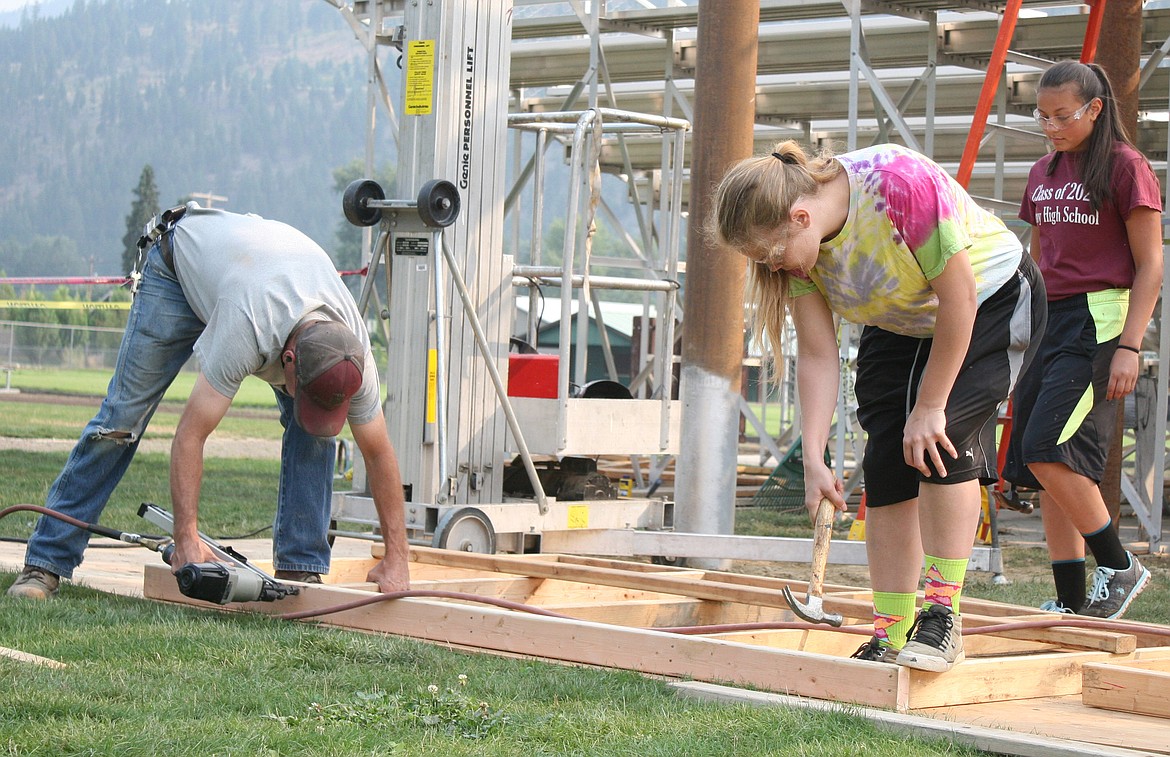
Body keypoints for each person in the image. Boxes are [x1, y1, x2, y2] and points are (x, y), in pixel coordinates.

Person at [710, 140, 1046, 671]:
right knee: (889, 463)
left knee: (939, 441)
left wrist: (932, 404)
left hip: (987, 299)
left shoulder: (896, 186)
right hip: (902, 319)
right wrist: (815, 456)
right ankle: (890, 630)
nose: (772, 269)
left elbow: (958, 300)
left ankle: (942, 619)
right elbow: (819, 356)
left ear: (800, 217)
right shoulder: (802, 255)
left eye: (770, 255)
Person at [7, 203, 411, 599]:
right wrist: (186, 539)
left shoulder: (352, 356)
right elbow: (191, 435)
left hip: (253, 273)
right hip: (177, 269)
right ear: (287, 361)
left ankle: (299, 573)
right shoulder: (247, 324)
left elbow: (378, 453)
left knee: (313, 433)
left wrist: (398, 556)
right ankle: (45, 563)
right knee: (121, 421)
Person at [1002, 61, 1162, 619]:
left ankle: (1120, 566)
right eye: (1042, 116)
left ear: (1095, 109)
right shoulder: (1043, 170)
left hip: (1100, 320)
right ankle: (1072, 598)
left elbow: (1151, 265)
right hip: (1049, 318)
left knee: (1047, 447)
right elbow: (1037, 254)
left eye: (1063, 115)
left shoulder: (1125, 166)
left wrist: (1131, 345)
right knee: (1040, 458)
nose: (1051, 126)